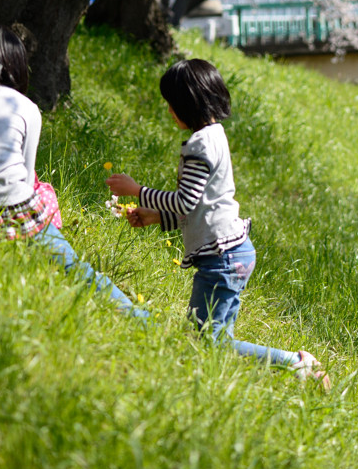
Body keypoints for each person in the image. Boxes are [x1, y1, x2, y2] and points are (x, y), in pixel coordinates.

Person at [106, 57, 330, 387]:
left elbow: (185, 200)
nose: (169, 111)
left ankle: (295, 363)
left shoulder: (199, 147)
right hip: (233, 252)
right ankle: (253, 376)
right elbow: (203, 205)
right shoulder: (216, 135)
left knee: (204, 340)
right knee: (217, 342)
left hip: (221, 261)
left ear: (188, 103)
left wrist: (137, 190)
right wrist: (156, 217)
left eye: (171, 104)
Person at [0, 22, 148, 320]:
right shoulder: (26, 107)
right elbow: (26, 177)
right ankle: (137, 317)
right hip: (17, 211)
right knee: (77, 270)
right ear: (17, 66)